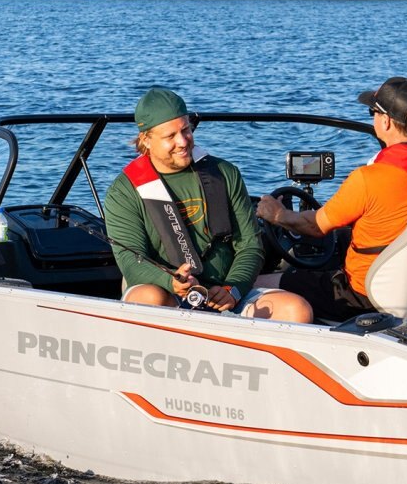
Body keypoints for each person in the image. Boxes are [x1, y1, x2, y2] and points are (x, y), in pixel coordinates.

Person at [255, 76, 407, 321]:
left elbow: (314, 227)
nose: (373, 118)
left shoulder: (368, 179)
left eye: (372, 112)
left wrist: (278, 214)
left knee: (258, 283)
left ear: (386, 121)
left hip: (361, 296)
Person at [105, 87, 313, 322]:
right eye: (170, 136)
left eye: (186, 130)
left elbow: (250, 246)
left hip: (225, 293)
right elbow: (131, 260)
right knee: (149, 297)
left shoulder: (225, 173)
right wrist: (171, 282)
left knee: (297, 310)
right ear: (146, 139)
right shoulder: (123, 191)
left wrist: (233, 289)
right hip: (166, 293)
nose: (182, 141)